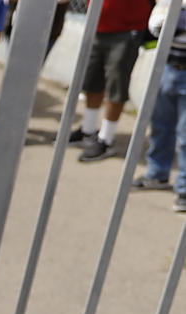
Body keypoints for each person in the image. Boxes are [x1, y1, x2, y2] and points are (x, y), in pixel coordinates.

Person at [74, 0, 157, 161]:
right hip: (98, 25)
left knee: (116, 85)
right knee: (92, 82)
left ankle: (106, 139)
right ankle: (88, 130)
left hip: (126, 29)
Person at [134, 0, 186, 213]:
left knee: (185, 134)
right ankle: (157, 173)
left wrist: (177, 23)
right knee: (160, 124)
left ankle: (184, 188)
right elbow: (155, 25)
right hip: (167, 67)